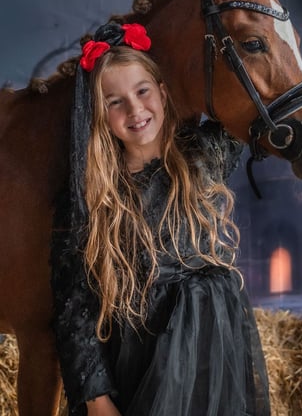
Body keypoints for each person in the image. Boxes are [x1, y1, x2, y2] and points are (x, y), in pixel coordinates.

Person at [51, 21, 270, 416]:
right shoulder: (91, 198)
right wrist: (97, 399)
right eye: (114, 102)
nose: (135, 109)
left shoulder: (204, 156)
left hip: (213, 354)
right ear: (99, 115)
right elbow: (73, 306)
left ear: (163, 93)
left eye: (142, 91)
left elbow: (247, 90)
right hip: (142, 362)